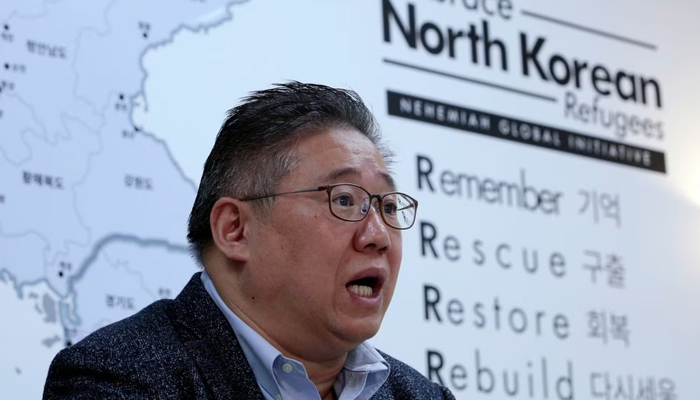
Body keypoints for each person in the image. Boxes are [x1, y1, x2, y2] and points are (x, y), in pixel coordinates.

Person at [43, 82, 455, 400]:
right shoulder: (117, 378)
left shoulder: (422, 395)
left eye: (386, 206)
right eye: (344, 200)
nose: (378, 236)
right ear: (234, 230)